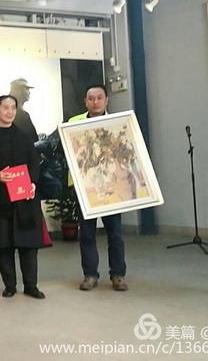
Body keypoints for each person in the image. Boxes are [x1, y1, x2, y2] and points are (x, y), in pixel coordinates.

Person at [0, 95, 46, 300]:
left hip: (25, 198)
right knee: (4, 244)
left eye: (13, 108)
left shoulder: (24, 136)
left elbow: (34, 162)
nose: (9, 112)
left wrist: (33, 182)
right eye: (5, 108)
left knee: (29, 245)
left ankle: (31, 285)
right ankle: (9, 285)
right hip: (0, 197)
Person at [68, 84, 127, 292]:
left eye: (99, 98)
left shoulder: (117, 124)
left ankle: (118, 275)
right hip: (85, 187)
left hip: (111, 186)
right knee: (87, 233)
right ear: (85, 101)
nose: (95, 102)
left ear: (106, 100)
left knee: (115, 233)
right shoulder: (74, 123)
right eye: (91, 98)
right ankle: (90, 274)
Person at [9, 78, 38, 143]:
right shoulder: (22, 115)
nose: (29, 92)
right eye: (27, 89)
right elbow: (33, 139)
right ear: (19, 91)